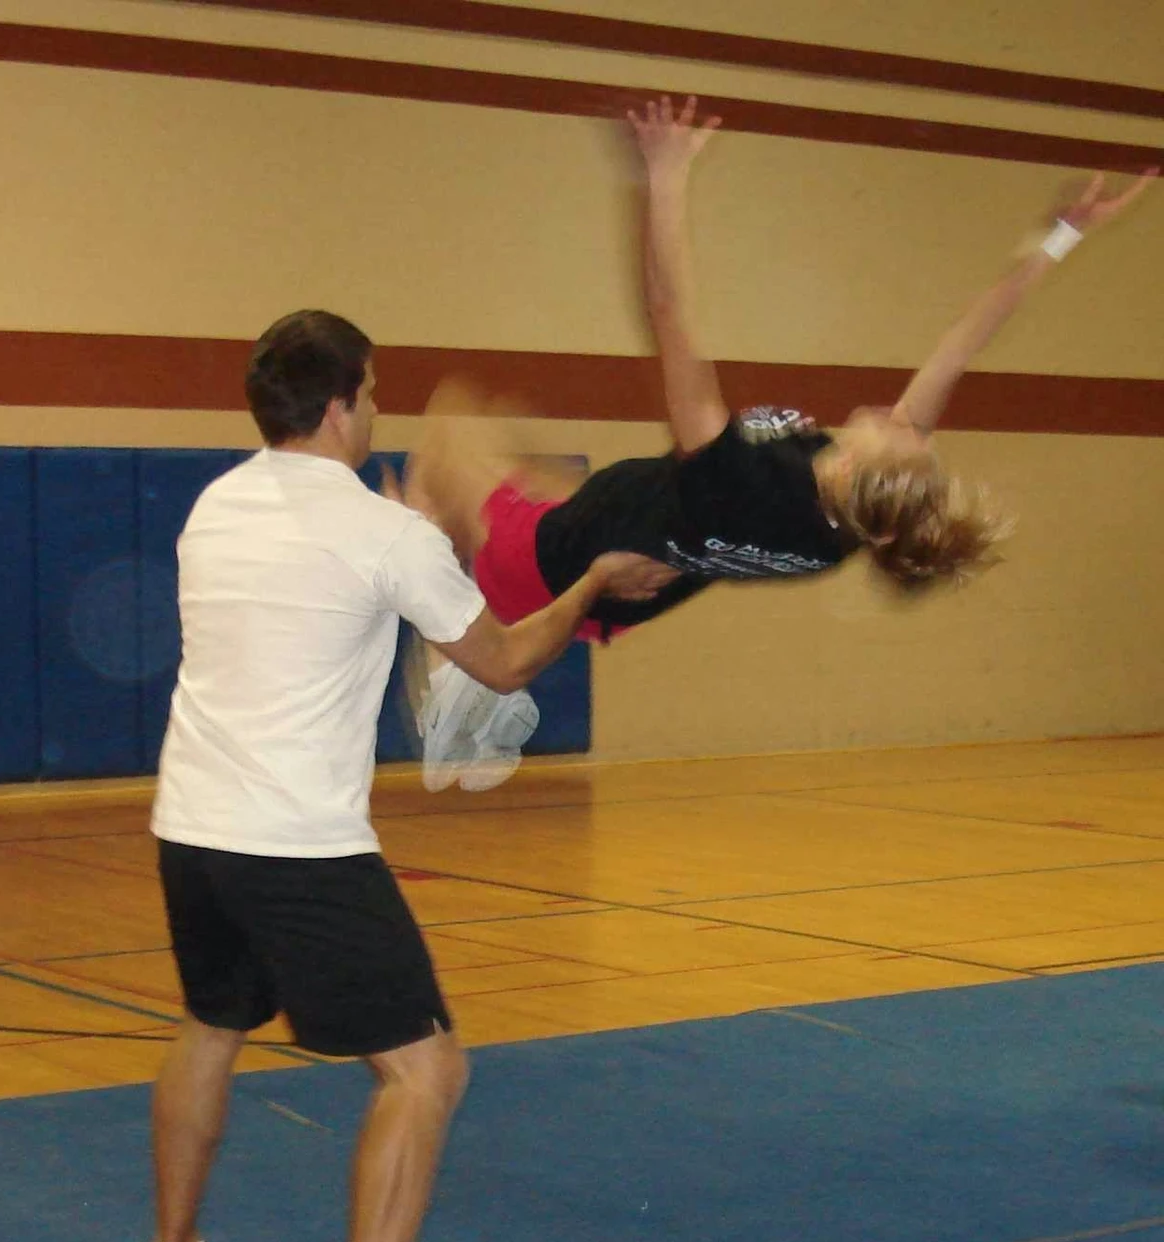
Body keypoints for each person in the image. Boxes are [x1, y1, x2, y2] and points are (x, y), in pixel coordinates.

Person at [126, 309, 673, 1242]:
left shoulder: (216, 505)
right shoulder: (381, 535)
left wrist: (414, 534)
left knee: (212, 1023)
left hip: (192, 824)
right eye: (371, 391)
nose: (376, 407)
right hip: (298, 843)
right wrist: (590, 585)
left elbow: (324, 589)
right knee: (426, 1072)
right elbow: (505, 660)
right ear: (341, 405)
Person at [412, 95, 1157, 787]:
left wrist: (664, 178)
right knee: (518, 453)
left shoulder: (741, 476)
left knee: (451, 421)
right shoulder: (846, 527)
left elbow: (668, 312)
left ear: (857, 468)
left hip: (547, 563)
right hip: (610, 587)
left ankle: (449, 658)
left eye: (900, 433)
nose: (904, 416)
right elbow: (964, 343)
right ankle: (460, 632)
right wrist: (1061, 238)